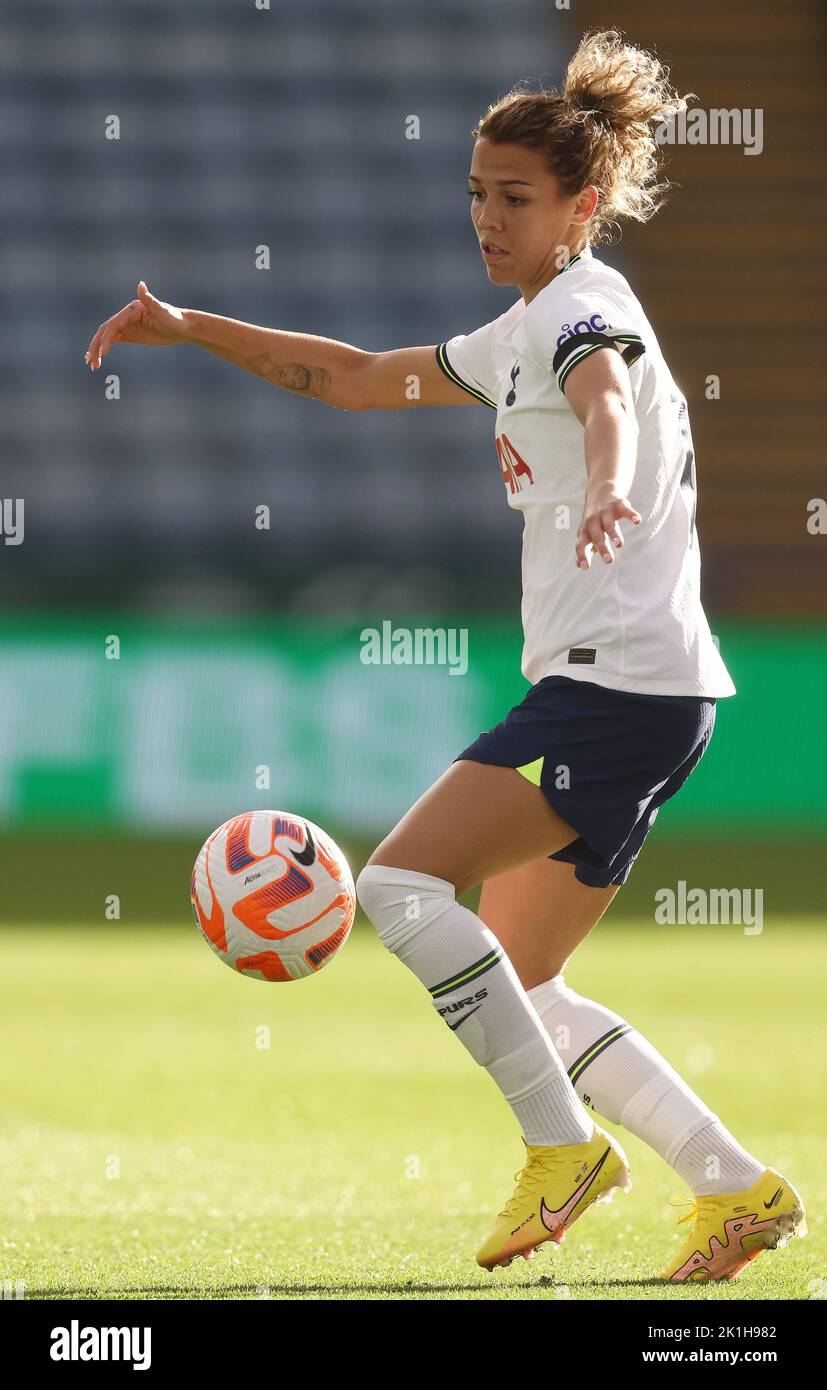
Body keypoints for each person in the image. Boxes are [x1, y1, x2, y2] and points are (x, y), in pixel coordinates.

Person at [85, 28, 805, 1284]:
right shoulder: (521, 328)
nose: (487, 216)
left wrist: (609, 488)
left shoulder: (582, 308)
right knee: (519, 978)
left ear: (580, 206)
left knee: (398, 891)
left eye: (513, 198)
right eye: (476, 192)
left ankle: (559, 1148)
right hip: (642, 688)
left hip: (611, 685)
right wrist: (193, 326)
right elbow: (358, 379)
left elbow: (605, 403)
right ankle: (734, 1188)